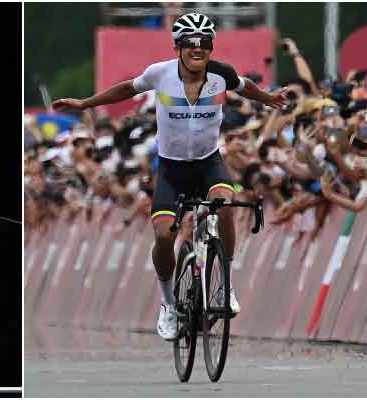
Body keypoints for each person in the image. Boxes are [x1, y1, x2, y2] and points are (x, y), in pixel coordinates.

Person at [52, 13, 287, 340]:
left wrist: (268, 99)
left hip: (209, 163)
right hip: (171, 169)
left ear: (210, 47)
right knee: (164, 236)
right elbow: (125, 89)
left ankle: (226, 284)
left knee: (226, 205)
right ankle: (168, 306)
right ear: (178, 47)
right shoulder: (160, 74)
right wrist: (85, 103)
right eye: (190, 43)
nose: (197, 49)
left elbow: (245, 87)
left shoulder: (222, 74)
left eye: (204, 43)